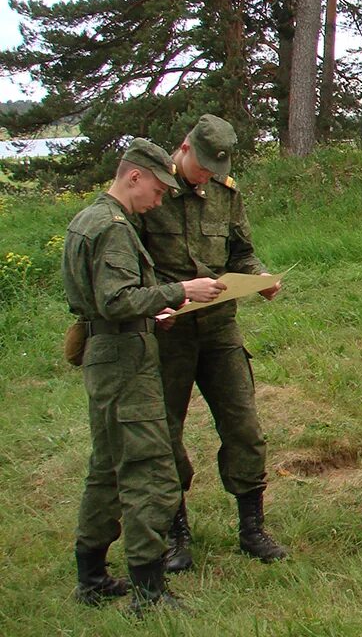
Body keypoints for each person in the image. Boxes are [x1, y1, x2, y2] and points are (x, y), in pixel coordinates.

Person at [63, 138, 225, 613]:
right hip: (124, 363)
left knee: (107, 469)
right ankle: (149, 593)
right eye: (155, 191)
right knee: (150, 470)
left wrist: (155, 310)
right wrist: (181, 289)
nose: (158, 202)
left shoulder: (87, 219)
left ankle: (91, 576)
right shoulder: (112, 227)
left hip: (109, 350)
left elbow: (103, 301)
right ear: (133, 176)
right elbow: (116, 299)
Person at [137, 114, 287, 572]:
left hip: (220, 328)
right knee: (165, 431)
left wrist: (258, 277)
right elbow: (134, 261)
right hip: (169, 332)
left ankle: (252, 527)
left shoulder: (226, 193)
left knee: (243, 424)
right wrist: (162, 300)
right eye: (201, 167)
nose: (206, 177)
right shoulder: (151, 193)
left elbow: (241, 250)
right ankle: (175, 531)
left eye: (214, 170)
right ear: (184, 148)